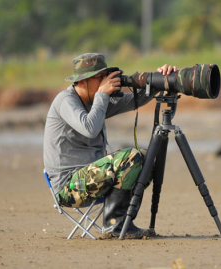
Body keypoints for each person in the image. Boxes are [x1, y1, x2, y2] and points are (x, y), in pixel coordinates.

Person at [43, 53, 177, 239]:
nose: (107, 81)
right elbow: (89, 128)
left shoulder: (95, 101)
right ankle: (114, 225)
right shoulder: (65, 100)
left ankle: (122, 222)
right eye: (101, 78)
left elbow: (134, 101)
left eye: (108, 76)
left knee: (147, 160)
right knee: (129, 157)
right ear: (83, 81)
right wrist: (102, 95)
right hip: (69, 186)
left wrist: (159, 81)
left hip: (92, 178)